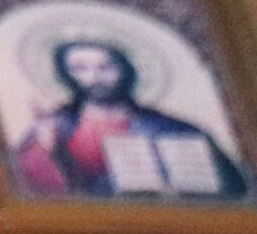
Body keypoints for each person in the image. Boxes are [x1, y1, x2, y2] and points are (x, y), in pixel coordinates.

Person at [13, 39, 250, 199]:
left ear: (126, 70)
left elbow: (232, 190)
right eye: (80, 68)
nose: (94, 77)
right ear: (66, 73)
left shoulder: (171, 129)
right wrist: (50, 151)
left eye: (106, 67)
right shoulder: (56, 125)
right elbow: (25, 190)